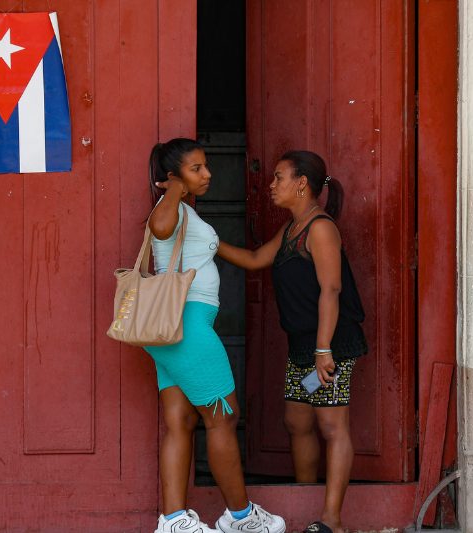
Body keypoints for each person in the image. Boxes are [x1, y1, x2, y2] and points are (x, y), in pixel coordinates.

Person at [217, 151, 367, 533]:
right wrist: (208, 241)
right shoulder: (291, 230)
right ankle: (306, 499)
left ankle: (332, 520)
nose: (271, 185)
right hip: (303, 345)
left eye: (279, 177)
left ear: (301, 183)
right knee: (297, 420)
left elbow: (331, 290)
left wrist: (323, 351)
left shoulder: (320, 228)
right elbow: (253, 259)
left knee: (332, 425)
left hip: (331, 343)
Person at [145, 138, 286, 533]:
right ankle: (240, 518)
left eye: (206, 166)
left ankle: (173, 521)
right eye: (196, 169)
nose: (207, 174)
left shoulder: (189, 216)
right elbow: (158, 227)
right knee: (224, 416)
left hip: (173, 330)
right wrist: (175, 188)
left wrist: (295, 225)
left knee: (180, 420)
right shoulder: (169, 208)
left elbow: (251, 259)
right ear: (173, 177)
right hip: (186, 325)